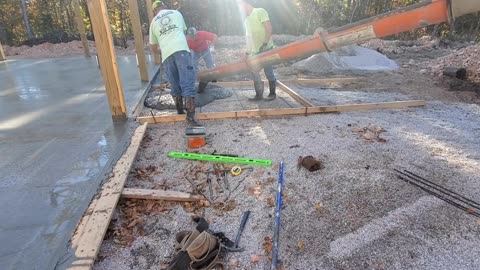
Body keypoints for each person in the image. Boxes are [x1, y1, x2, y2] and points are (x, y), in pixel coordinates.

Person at [149, 1, 201, 126]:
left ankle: (179, 110)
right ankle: (190, 117)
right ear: (164, 7)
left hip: (167, 54)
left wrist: (161, 50)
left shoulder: (153, 22)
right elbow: (183, 32)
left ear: (155, 11)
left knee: (174, 82)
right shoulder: (176, 13)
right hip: (181, 50)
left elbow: (153, 46)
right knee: (187, 81)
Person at [239, 0, 277, 101]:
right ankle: (259, 94)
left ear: (245, 4)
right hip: (256, 52)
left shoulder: (260, 11)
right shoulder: (246, 20)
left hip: (267, 48)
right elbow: (249, 39)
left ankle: (272, 94)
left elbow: (269, 28)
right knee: (253, 71)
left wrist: (264, 44)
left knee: (268, 71)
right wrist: (247, 52)